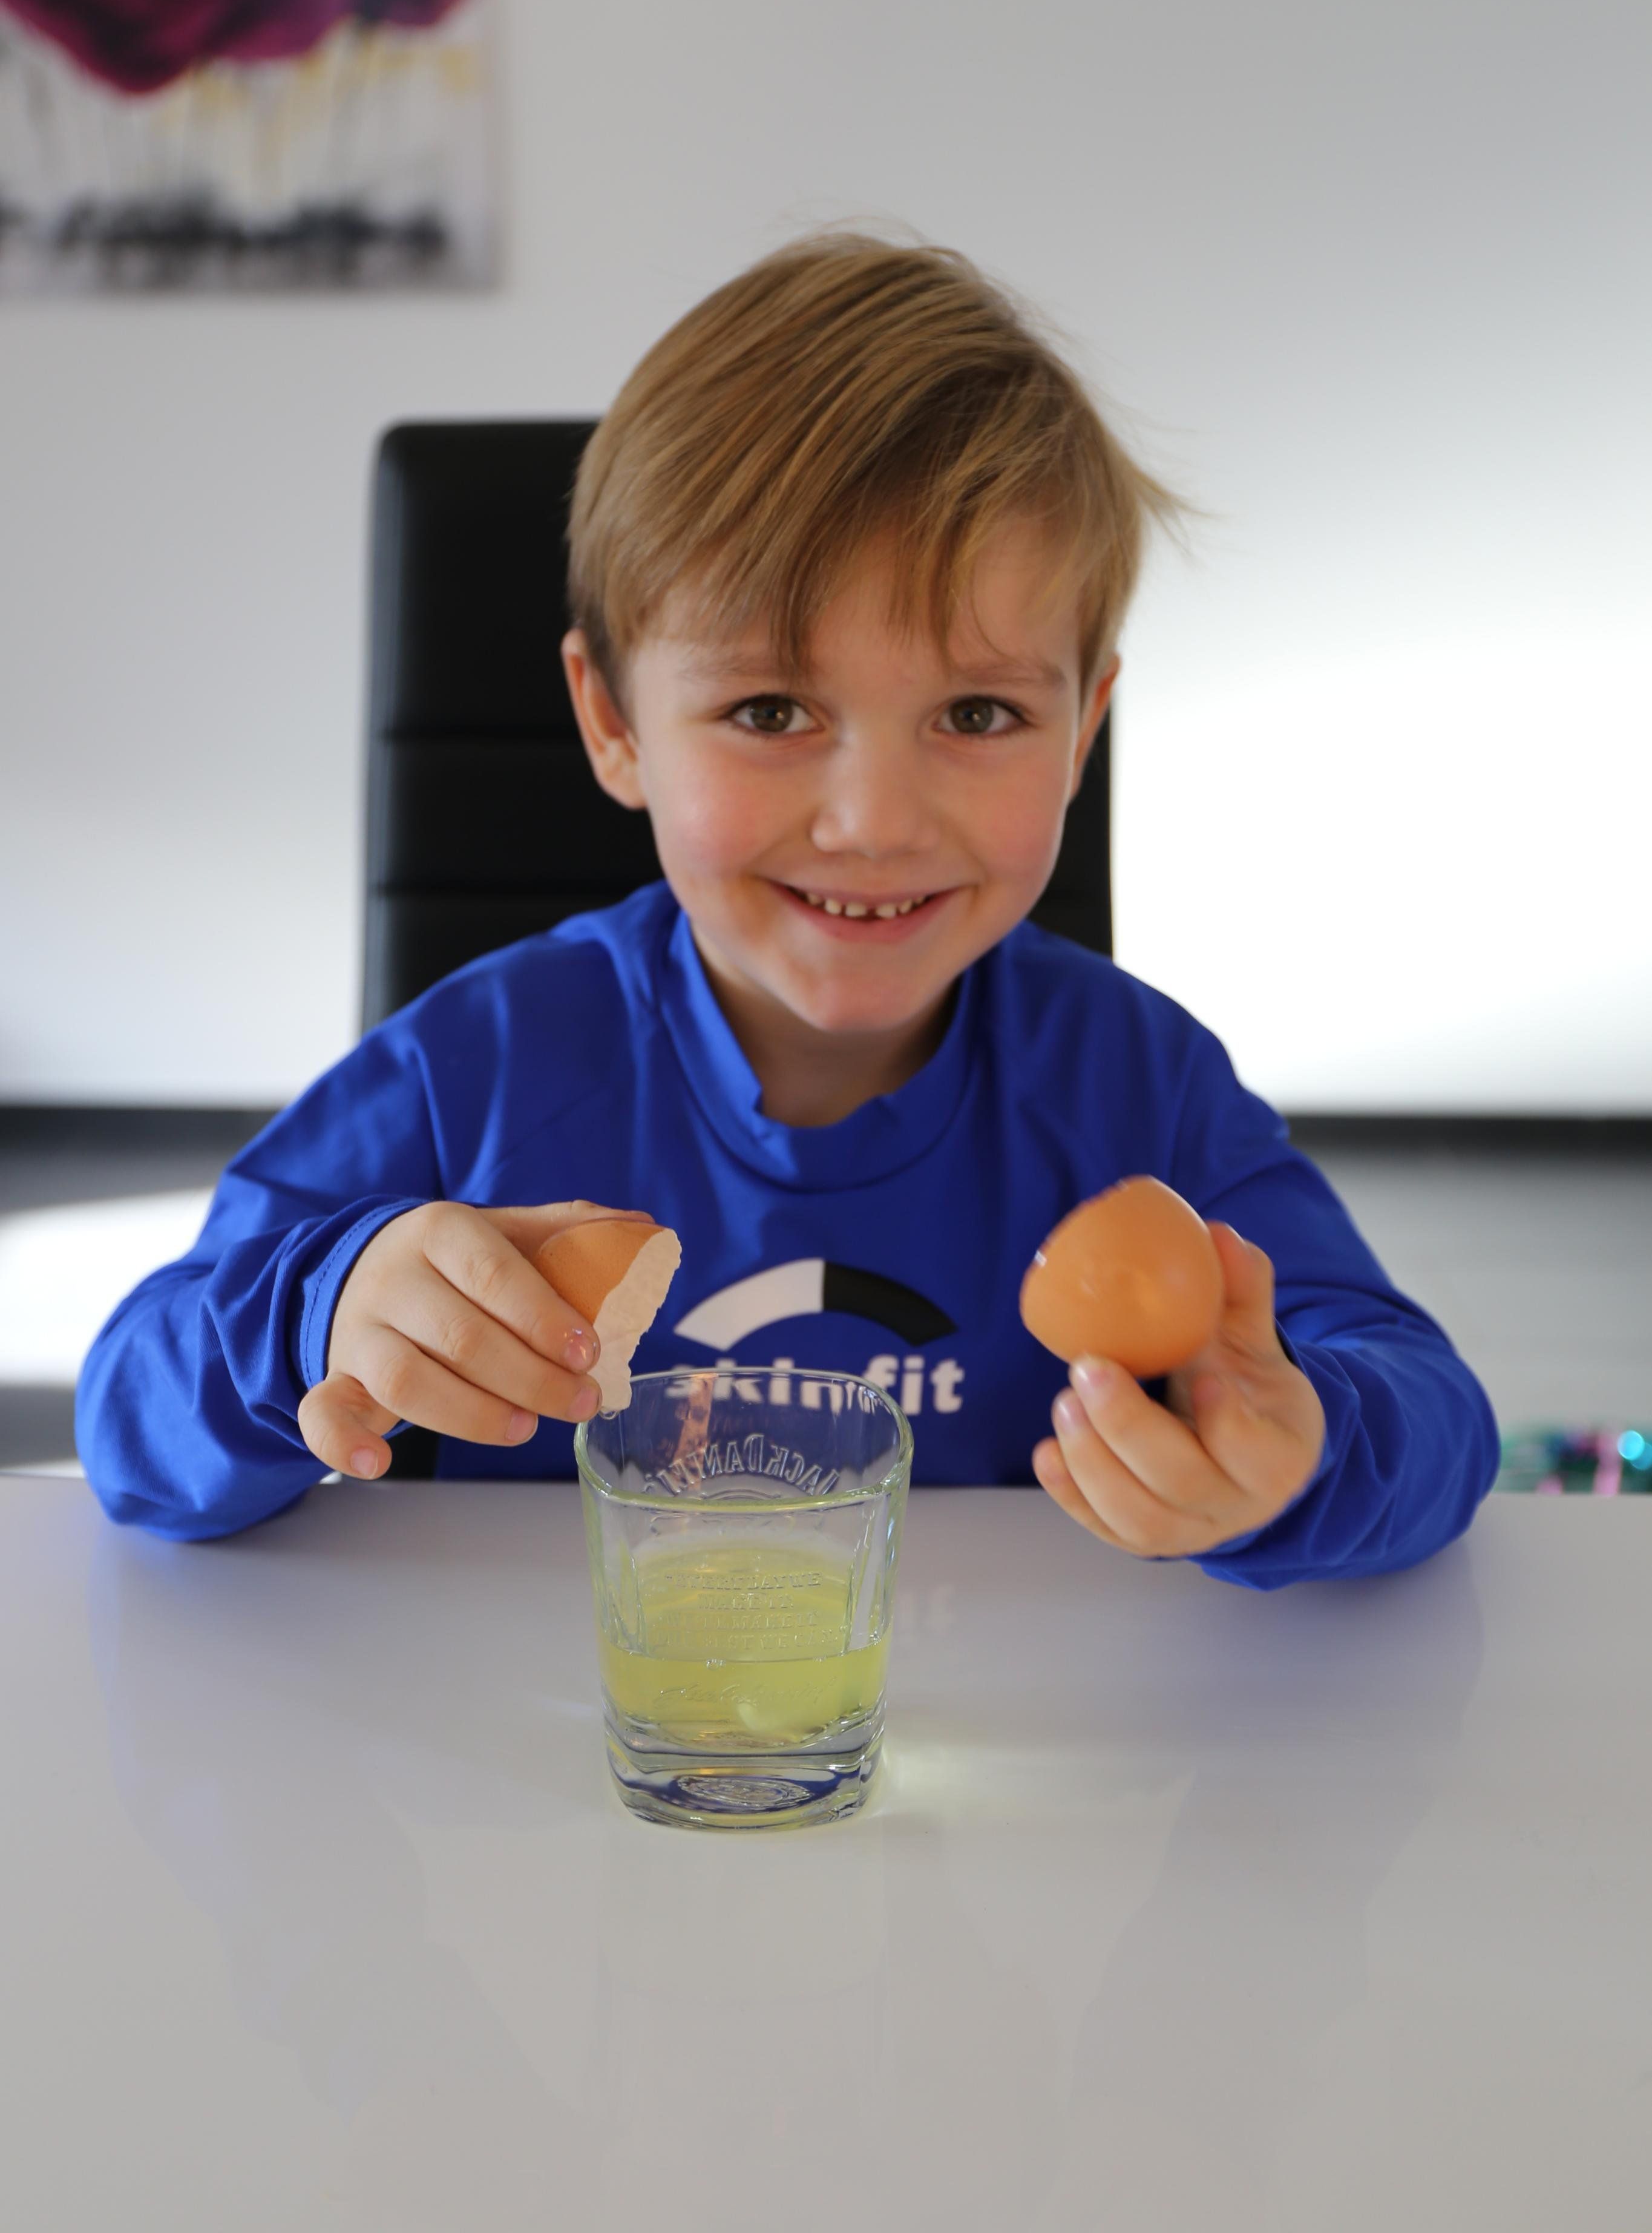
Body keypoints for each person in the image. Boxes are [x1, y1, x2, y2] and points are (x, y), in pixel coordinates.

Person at [77, 234, 1499, 1577]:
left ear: (1084, 728)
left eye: (979, 712)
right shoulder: (472, 1073)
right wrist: (318, 1308)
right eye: (770, 709)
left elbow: (1431, 1409)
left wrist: (1304, 1456)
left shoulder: (1142, 1089)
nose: (875, 821)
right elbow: (130, 1416)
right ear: (613, 720)